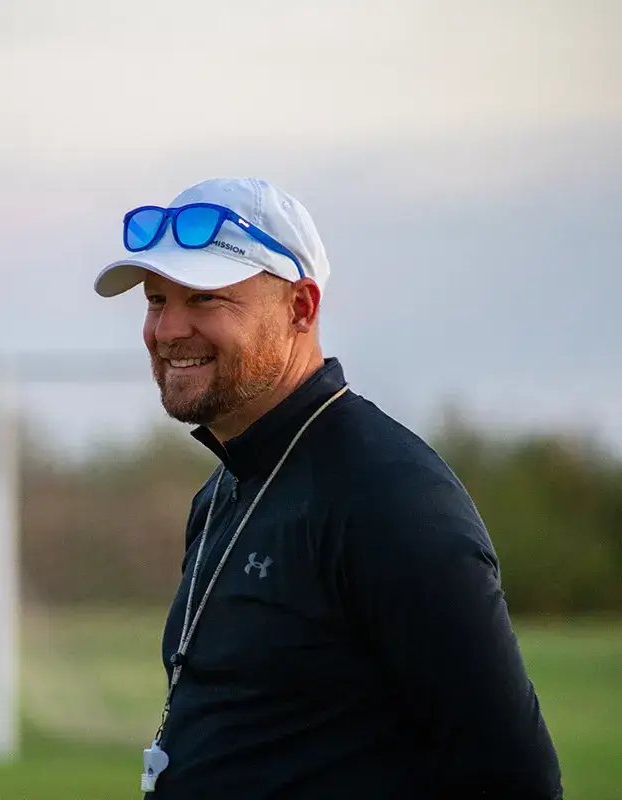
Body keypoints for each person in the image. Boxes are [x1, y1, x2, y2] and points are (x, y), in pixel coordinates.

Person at [93, 177, 563, 799]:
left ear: (301, 309)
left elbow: (516, 781)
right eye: (156, 300)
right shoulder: (223, 490)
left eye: (205, 299)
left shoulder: (389, 498)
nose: (168, 329)